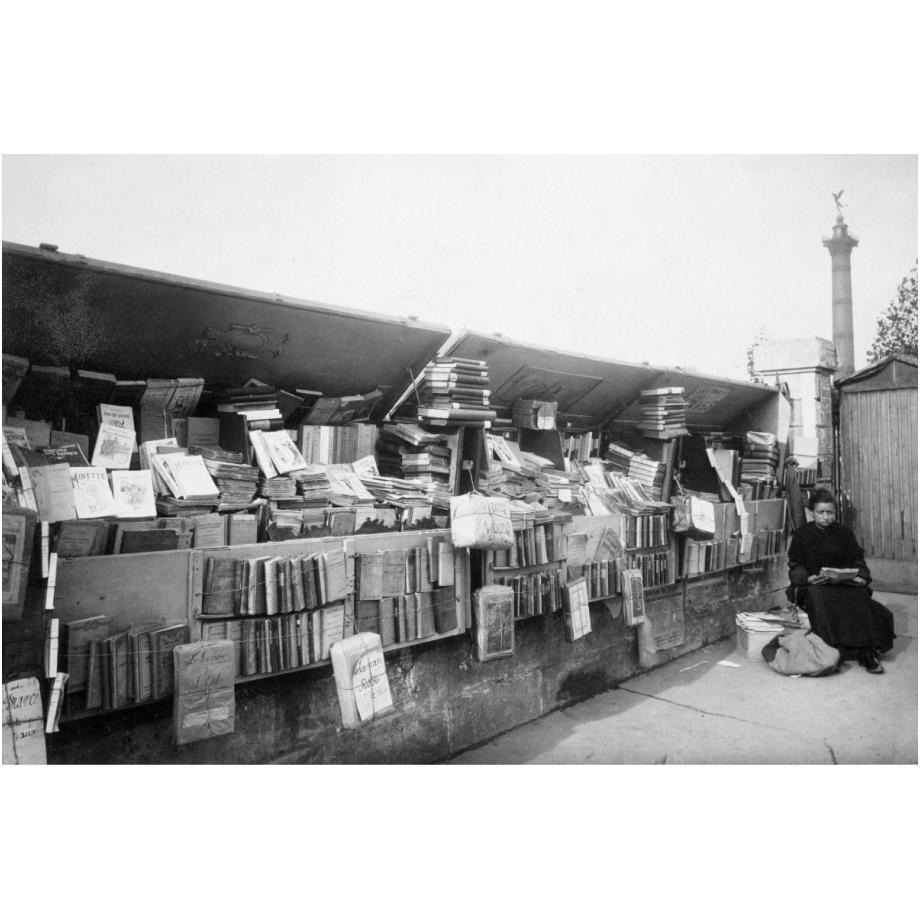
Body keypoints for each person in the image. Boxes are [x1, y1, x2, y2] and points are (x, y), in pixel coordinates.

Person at [786, 488, 895, 674]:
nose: (826, 517)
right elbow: (795, 565)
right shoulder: (802, 535)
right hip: (814, 586)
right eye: (821, 512)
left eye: (830, 512)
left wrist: (861, 576)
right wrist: (807, 577)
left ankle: (866, 652)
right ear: (812, 512)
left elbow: (858, 560)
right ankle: (832, 651)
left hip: (843, 584)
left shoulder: (844, 533)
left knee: (860, 595)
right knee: (818, 597)